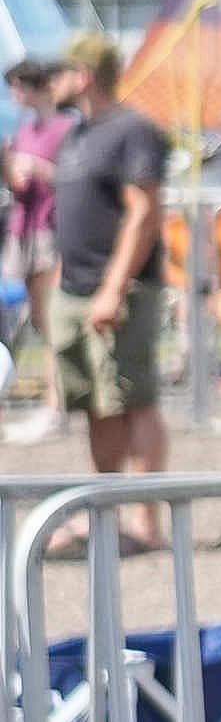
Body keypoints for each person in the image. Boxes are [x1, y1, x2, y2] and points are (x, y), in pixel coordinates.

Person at [45, 29, 170, 547]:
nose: (52, 81)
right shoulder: (75, 135)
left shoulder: (133, 131)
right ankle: (107, 514)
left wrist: (114, 288)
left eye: (60, 71)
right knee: (96, 405)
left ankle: (147, 522)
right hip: (72, 288)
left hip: (119, 290)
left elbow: (145, 212)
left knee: (133, 400)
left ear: (83, 75)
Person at [1, 58, 64, 441]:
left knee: (49, 323)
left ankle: (55, 406)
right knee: (35, 323)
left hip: (47, 232)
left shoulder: (62, 130)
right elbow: (19, 185)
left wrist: (37, 167)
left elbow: (70, 177)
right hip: (24, 230)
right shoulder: (24, 131)